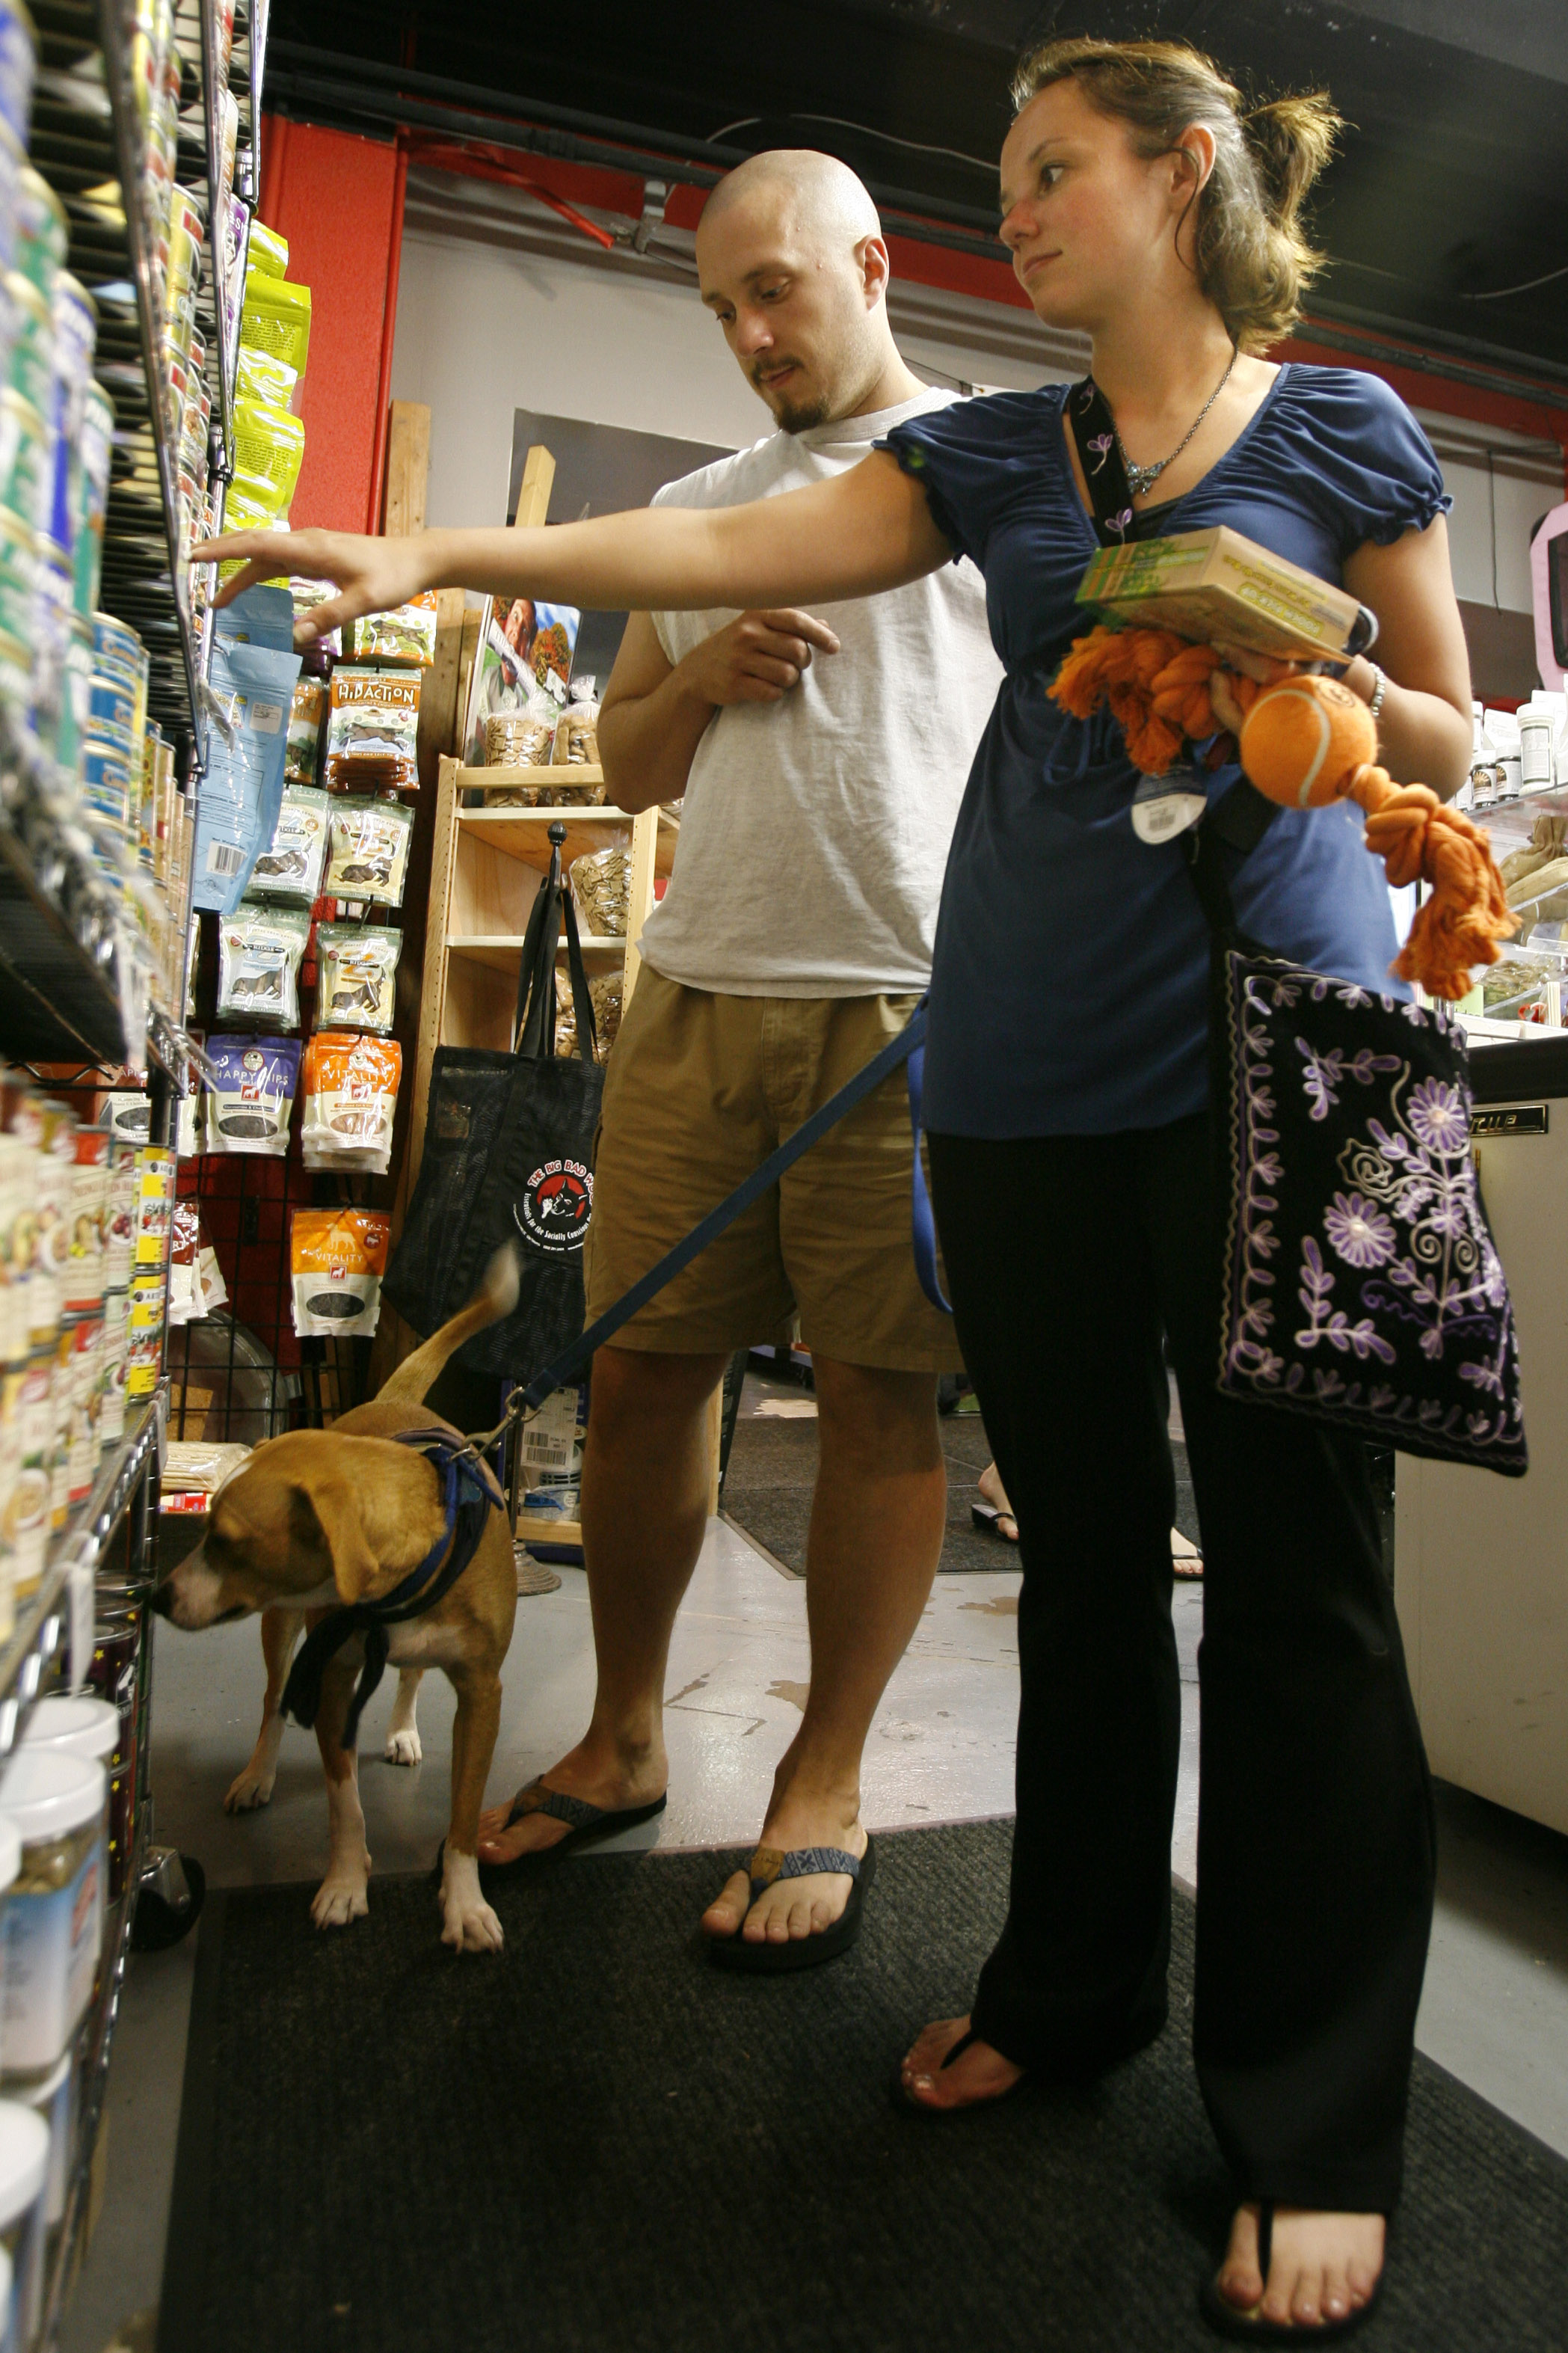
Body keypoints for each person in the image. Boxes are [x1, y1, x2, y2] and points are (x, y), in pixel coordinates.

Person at [203, 37, 1472, 2334]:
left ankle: (1311, 2124)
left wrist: (1302, 661)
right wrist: (440, 546)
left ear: (1187, 177)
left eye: (1055, 170)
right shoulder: (985, 455)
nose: (1021, 213)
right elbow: (708, 542)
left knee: (1298, 1595)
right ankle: (1073, 1993)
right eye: (1004, 180)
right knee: (1086, 1562)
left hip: (1286, 1077)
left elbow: (1451, 739)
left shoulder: (1341, 429)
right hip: (1019, 1082)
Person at [476, 150, 1006, 1964]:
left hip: (908, 1009)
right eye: (718, 307)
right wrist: (700, 679)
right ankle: (625, 1735)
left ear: (869, 265)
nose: (748, 332)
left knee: (876, 1398)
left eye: (773, 289)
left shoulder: (990, 479)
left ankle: (826, 1774)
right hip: (696, 1001)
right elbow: (624, 765)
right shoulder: (698, 508)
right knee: (635, 1382)